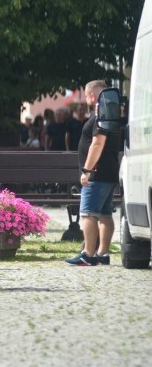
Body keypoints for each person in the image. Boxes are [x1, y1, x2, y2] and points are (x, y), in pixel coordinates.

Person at [66, 80, 121, 266]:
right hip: (110, 171)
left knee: (88, 214)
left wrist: (87, 170)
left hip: (96, 173)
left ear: (91, 96)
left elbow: (97, 144)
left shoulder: (100, 115)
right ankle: (102, 254)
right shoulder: (111, 114)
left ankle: (88, 254)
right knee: (105, 215)